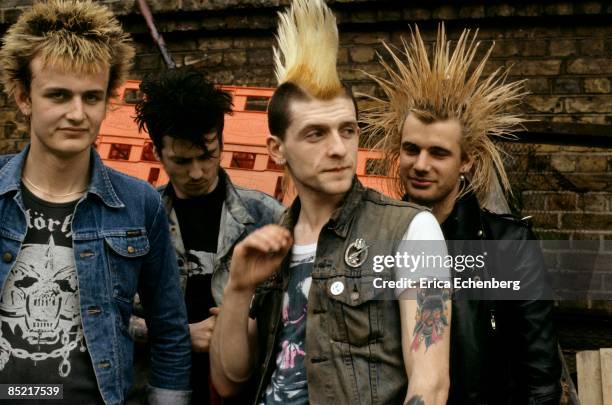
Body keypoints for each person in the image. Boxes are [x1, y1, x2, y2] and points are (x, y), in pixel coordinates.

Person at [210, 1, 451, 404]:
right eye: (316, 134)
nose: (339, 148)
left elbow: (430, 384)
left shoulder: (412, 230)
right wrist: (238, 288)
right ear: (277, 149)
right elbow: (229, 379)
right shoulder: (269, 242)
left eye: (348, 130)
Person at [0, 1, 191, 404]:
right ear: (23, 97)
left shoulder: (139, 205)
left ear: (108, 101)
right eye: (58, 95)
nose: (76, 113)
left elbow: (169, 330)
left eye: (91, 97)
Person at [363, 25, 562, 404]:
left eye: (438, 153)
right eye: (411, 149)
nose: (420, 165)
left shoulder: (509, 246)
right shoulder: (376, 238)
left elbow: (539, 372)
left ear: (467, 160)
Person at [131, 67, 284, 403]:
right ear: (157, 152)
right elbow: (106, 314)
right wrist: (182, 335)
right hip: (158, 388)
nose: (197, 172)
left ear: (222, 142)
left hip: (246, 391)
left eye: (206, 156)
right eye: (182, 161)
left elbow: (290, 313)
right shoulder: (137, 220)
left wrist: (245, 327)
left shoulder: (267, 216)